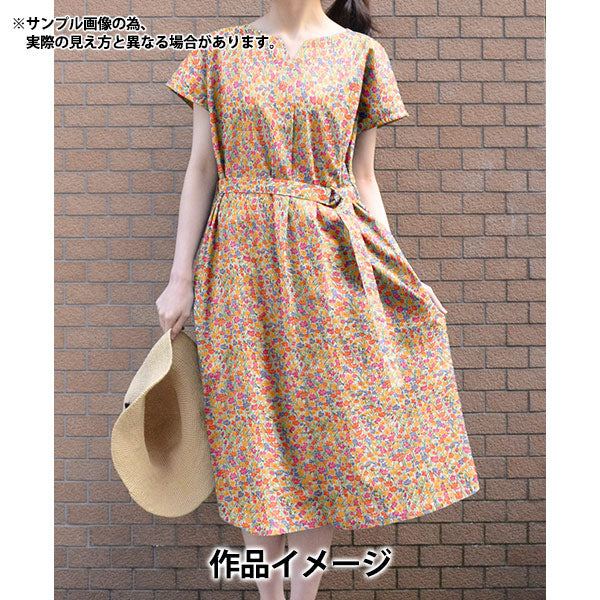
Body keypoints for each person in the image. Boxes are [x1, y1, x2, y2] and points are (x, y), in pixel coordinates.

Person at [157, 1, 480, 599]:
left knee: (324, 436)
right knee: (250, 433)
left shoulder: (361, 55)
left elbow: (364, 180)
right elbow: (201, 169)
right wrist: (180, 280)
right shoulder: (218, 50)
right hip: (240, 265)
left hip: (330, 264)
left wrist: (400, 271)